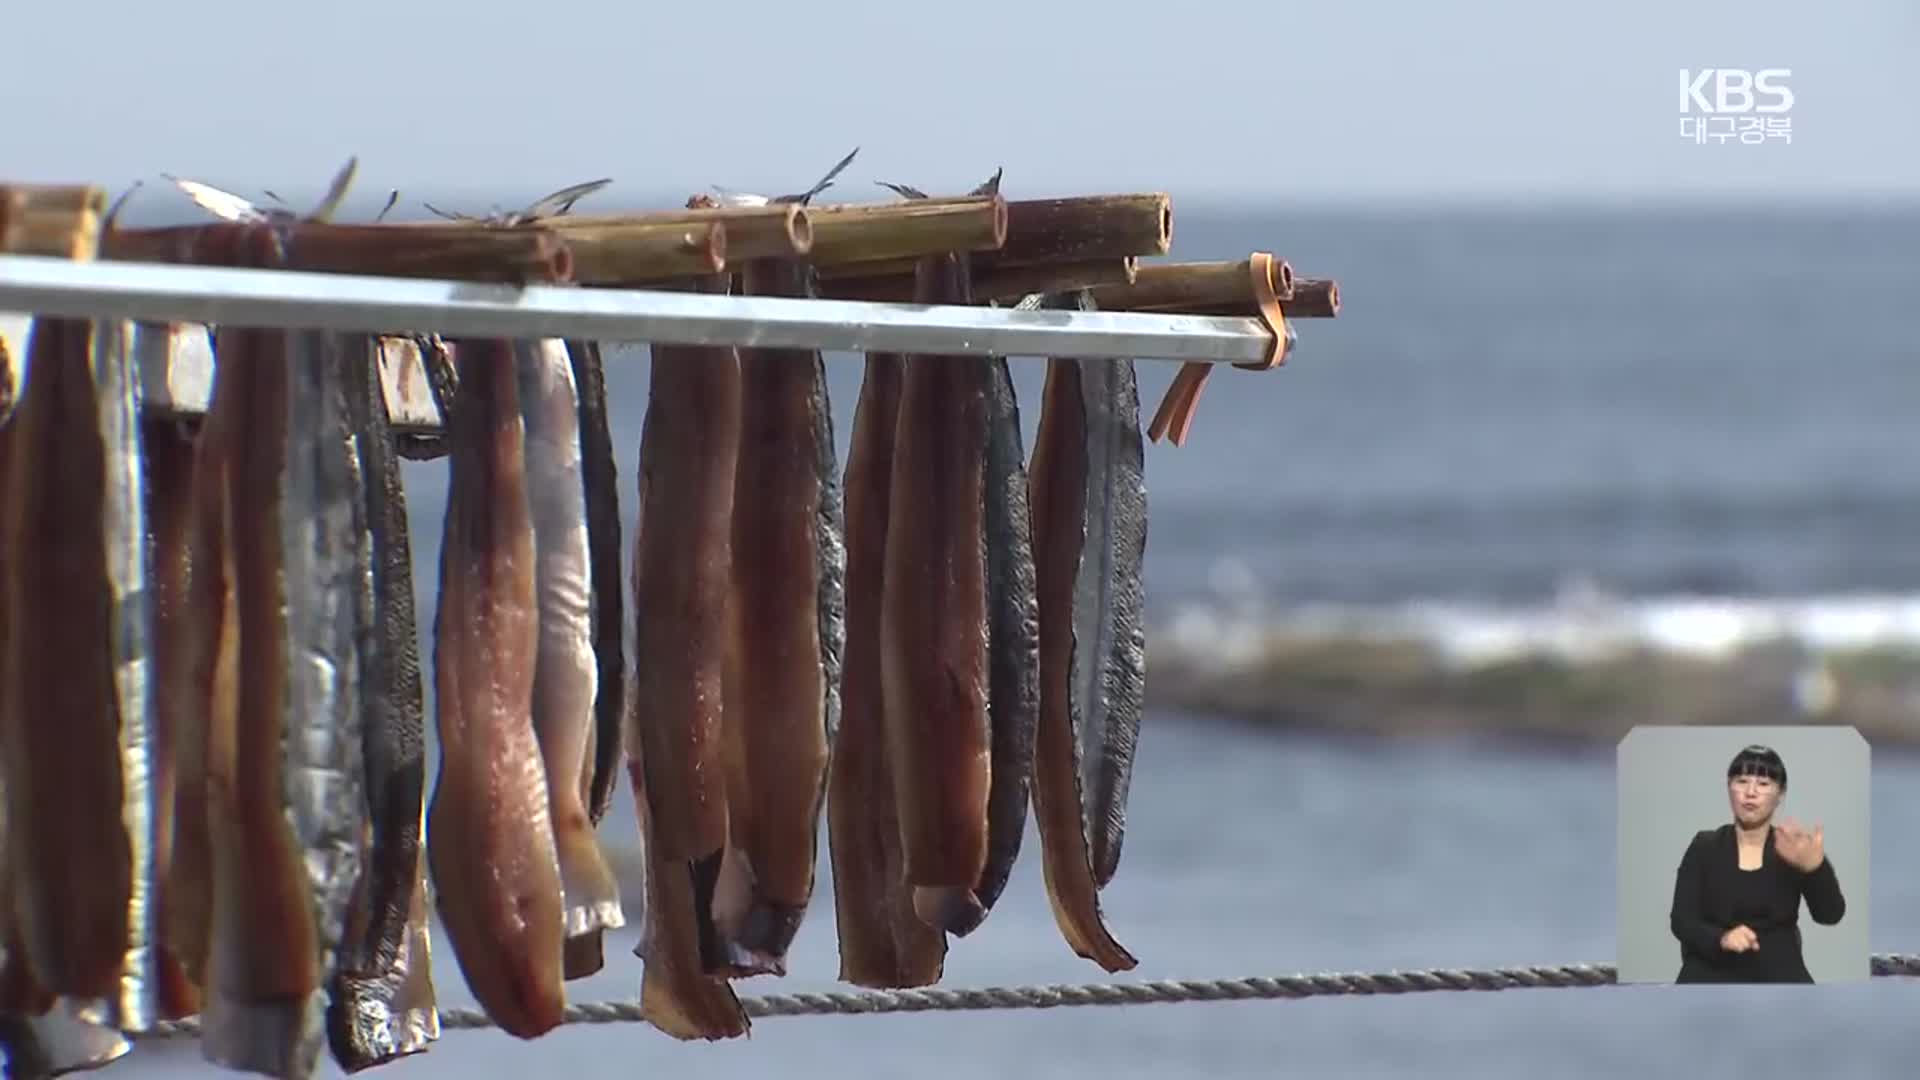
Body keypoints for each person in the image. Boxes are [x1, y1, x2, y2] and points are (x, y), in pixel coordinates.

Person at [1668, 744, 1846, 983]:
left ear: (1780, 794)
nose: (1750, 792)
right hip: (1709, 974)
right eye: (1741, 781)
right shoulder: (1705, 846)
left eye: (1763, 784)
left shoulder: (1791, 847)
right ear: (1728, 787)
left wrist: (1816, 869)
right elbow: (1682, 920)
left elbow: (1830, 915)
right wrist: (1721, 938)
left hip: (1781, 979)